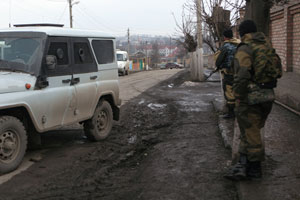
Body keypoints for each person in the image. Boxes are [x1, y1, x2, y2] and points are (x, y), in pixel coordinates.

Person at [224, 20, 282, 180]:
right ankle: (243, 166)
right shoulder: (267, 45)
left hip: (250, 98)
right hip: (268, 96)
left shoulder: (245, 48)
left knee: (252, 133)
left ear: (242, 33)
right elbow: (279, 71)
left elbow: (242, 76)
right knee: (248, 132)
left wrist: (237, 96)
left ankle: (255, 171)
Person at [215, 29, 240, 119]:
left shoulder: (225, 46)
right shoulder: (240, 44)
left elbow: (218, 60)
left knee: (229, 92)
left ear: (225, 37)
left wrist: (219, 66)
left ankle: (231, 113)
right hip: (241, 72)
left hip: (229, 72)